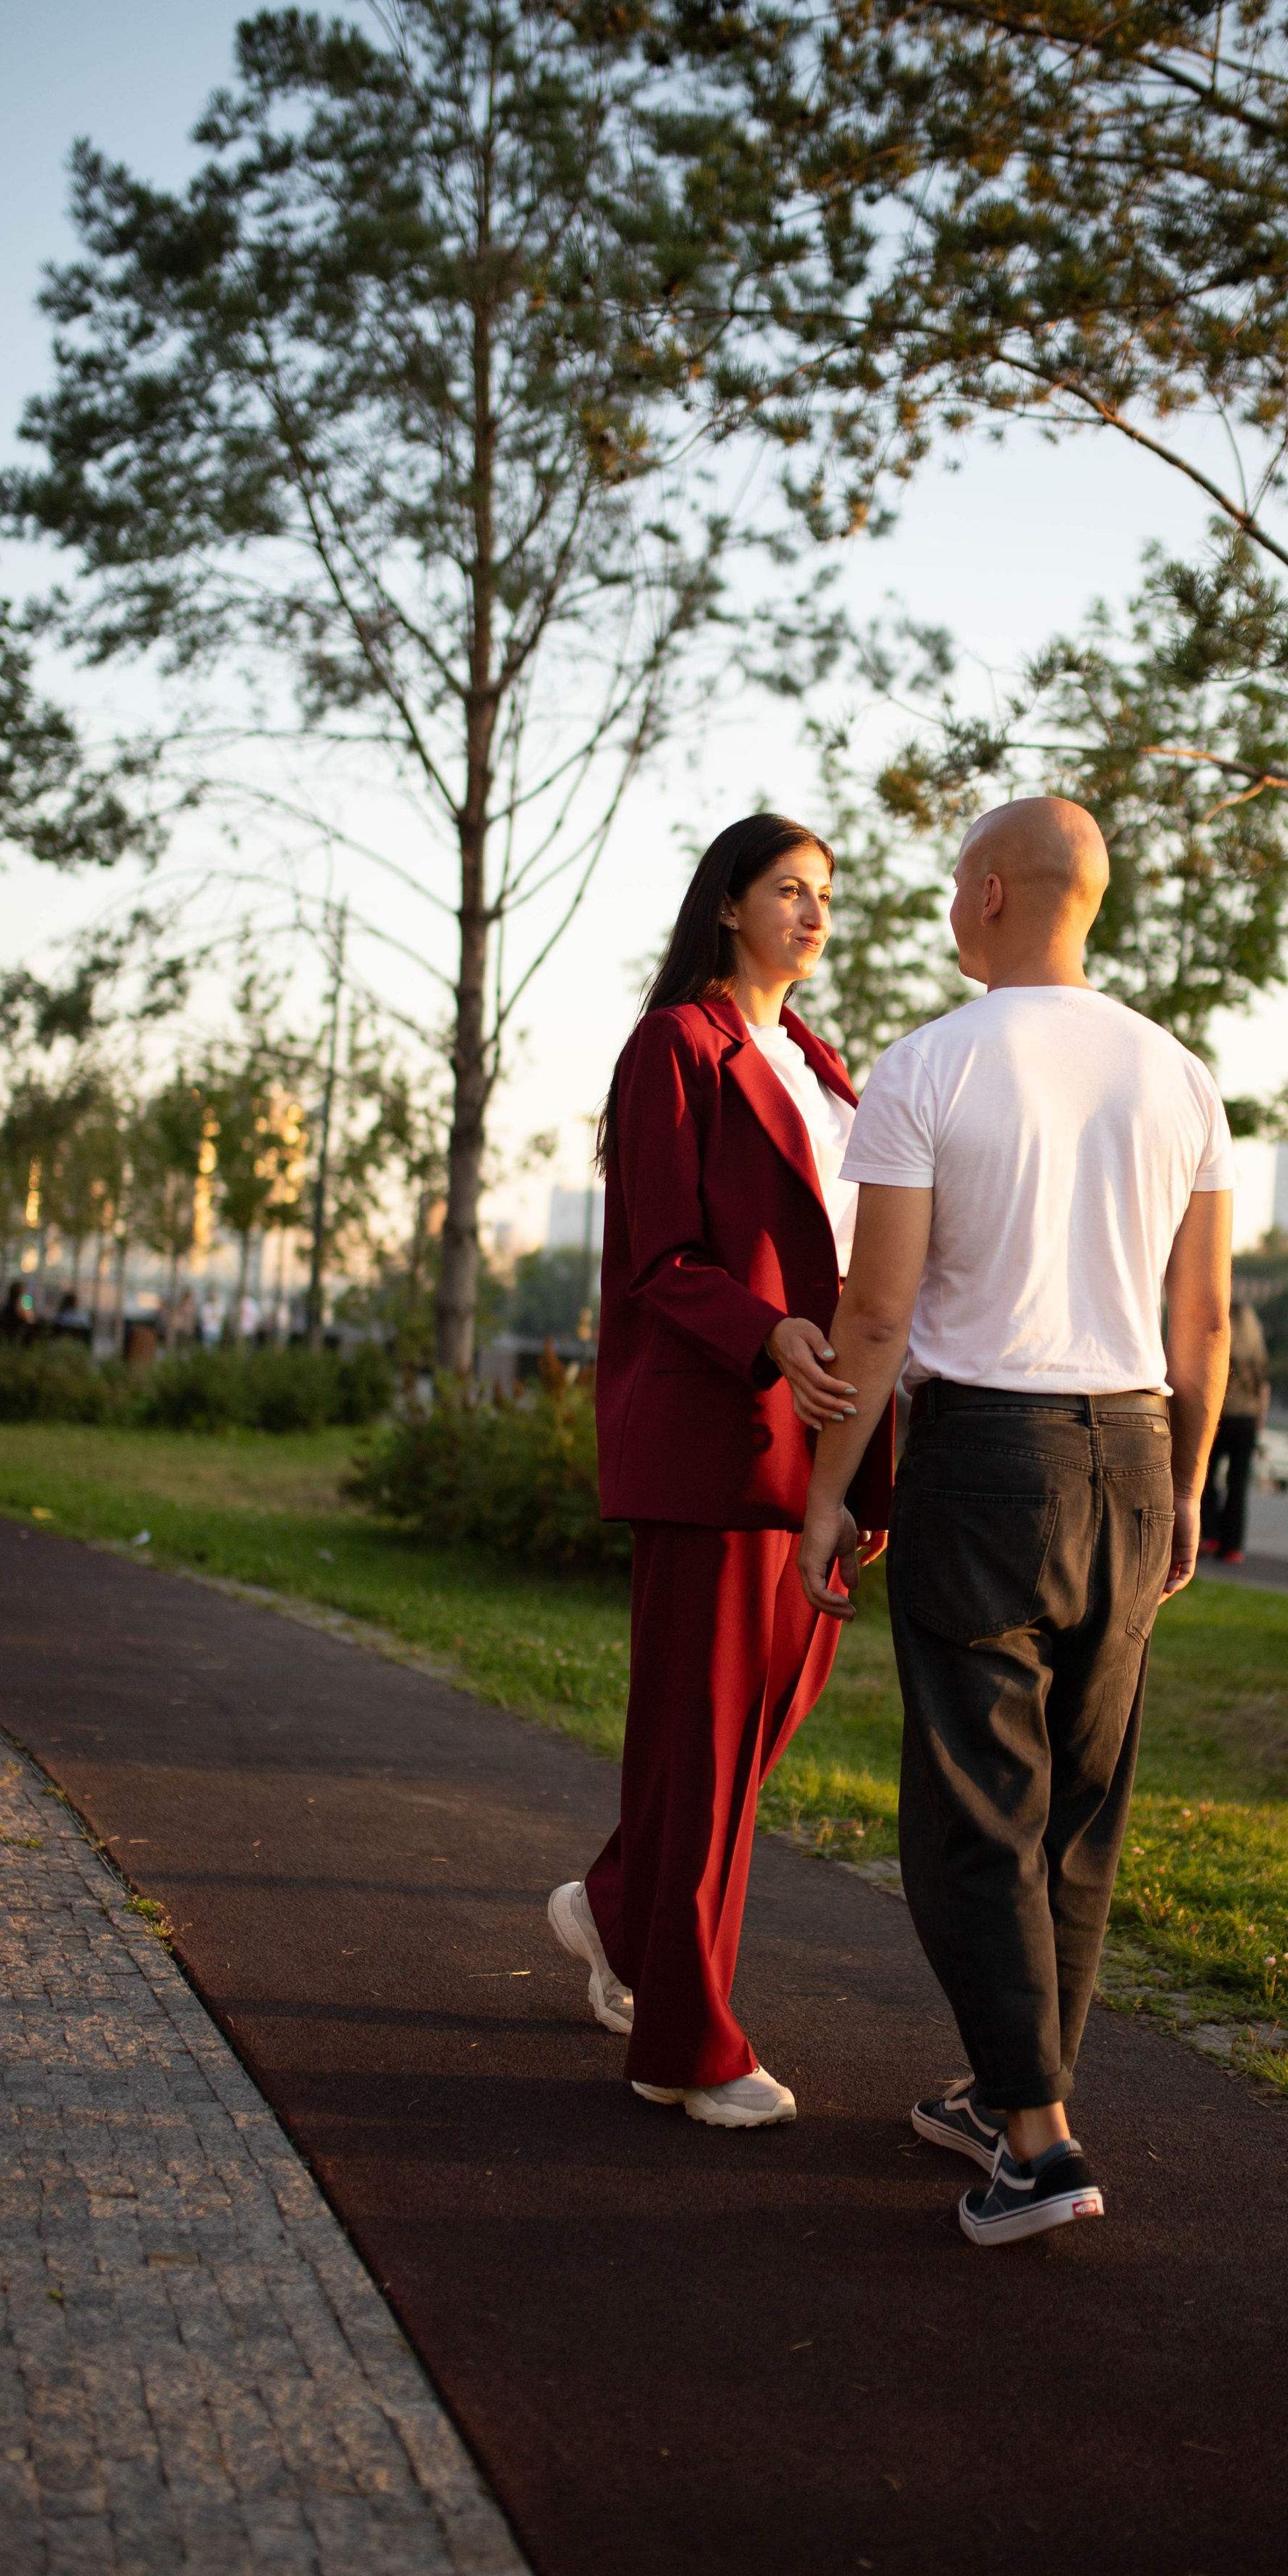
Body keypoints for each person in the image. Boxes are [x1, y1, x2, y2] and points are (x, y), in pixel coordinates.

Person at [798, 797, 1232, 2244]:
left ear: (985, 893)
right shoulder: (1177, 1075)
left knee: (978, 1802)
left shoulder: (925, 1066)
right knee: (1078, 1805)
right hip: (1129, 1448)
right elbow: (1205, 1317)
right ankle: (1010, 2093)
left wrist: (825, 1496)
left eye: (946, 881)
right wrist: (1182, 1486)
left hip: (982, 1452)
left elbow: (872, 1313)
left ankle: (1036, 2146)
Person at [548, 814, 893, 2128]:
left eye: (826, 894)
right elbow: (661, 1258)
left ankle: (618, 1907)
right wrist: (770, 1333)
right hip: (717, 1441)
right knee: (703, 1747)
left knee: (748, 1740)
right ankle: (683, 2048)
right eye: (790, 891)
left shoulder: (815, 1060)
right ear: (728, 906)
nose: (814, 914)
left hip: (822, 1450)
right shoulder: (673, 1051)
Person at [1201, 1294, 1269, 1562]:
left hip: (1219, 1417)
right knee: (1238, 1485)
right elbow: (1264, 1388)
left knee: (1206, 1477)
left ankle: (1211, 1533)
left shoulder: (1220, 1349)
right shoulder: (1256, 1355)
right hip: (1246, 1421)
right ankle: (1234, 1547)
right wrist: (1260, 1419)